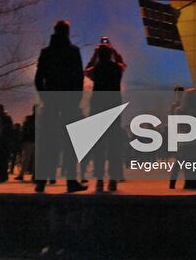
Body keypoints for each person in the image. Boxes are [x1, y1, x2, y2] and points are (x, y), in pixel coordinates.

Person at [34, 19, 86, 194]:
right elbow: (79, 77)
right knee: (70, 142)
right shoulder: (73, 51)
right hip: (69, 101)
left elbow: (38, 78)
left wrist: (45, 97)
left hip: (51, 102)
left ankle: (40, 182)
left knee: (47, 142)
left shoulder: (46, 52)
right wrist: (76, 98)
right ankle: (71, 181)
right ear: (68, 32)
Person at [85, 42, 125, 192]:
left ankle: (100, 180)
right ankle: (113, 179)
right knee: (114, 146)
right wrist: (114, 50)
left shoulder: (96, 69)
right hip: (113, 108)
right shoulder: (116, 69)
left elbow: (86, 71)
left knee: (99, 147)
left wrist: (95, 55)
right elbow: (122, 63)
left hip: (98, 109)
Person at [170, 88, 196, 191]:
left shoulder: (178, 110)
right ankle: (195, 187)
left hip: (184, 144)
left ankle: (184, 187)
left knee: (186, 170)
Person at [168, 86, 185, 189]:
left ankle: (172, 184)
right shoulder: (174, 106)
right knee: (179, 160)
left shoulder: (184, 105)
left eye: (180, 93)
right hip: (179, 136)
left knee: (180, 160)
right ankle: (172, 183)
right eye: (177, 93)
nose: (179, 95)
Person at [15, 109, 36, 182]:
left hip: (28, 140)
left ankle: (21, 174)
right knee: (34, 159)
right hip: (36, 140)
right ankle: (34, 175)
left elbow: (24, 130)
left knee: (26, 159)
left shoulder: (28, 119)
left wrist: (22, 141)